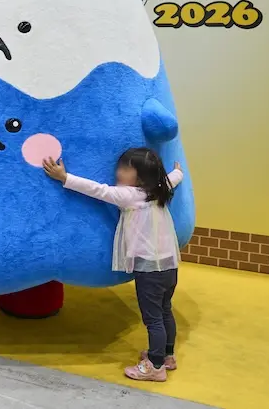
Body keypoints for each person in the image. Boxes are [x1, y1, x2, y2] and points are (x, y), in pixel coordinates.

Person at [42, 148, 184, 383]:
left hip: (149, 269)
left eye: (126, 169)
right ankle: (167, 356)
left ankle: (155, 366)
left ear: (141, 177)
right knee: (164, 310)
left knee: (153, 319)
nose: (119, 172)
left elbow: (98, 190)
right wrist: (179, 172)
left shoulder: (129, 195)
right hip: (169, 265)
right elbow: (173, 178)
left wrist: (64, 177)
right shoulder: (160, 189)